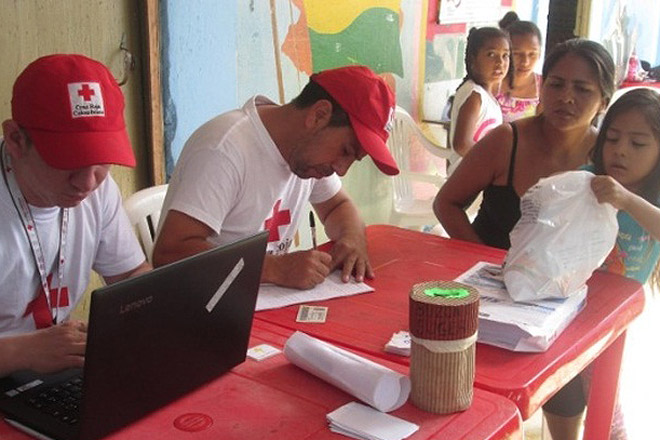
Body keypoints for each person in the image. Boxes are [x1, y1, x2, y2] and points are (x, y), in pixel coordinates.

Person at [152, 65, 398, 290]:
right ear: (319, 115)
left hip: (259, 304)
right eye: (345, 151)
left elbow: (338, 206)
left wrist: (353, 238)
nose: (341, 169)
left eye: (353, 159)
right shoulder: (224, 150)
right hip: (199, 310)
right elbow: (169, 253)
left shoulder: (307, 155)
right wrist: (273, 268)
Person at [0, 54, 151, 377]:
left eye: (101, 159)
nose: (87, 182)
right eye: (68, 159)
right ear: (16, 140)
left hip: (56, 373)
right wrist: (24, 351)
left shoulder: (97, 187)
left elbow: (130, 278)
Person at [543, 88, 660, 440]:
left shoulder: (651, 197)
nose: (620, 150)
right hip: (569, 304)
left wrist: (627, 200)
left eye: (637, 144)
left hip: (613, 318)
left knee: (603, 392)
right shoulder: (588, 180)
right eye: (612, 138)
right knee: (561, 378)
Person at [434, 38, 615, 250]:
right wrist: (484, 259)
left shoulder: (609, 156)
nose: (566, 98)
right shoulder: (506, 140)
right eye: (556, 85)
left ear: (604, 102)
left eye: (582, 89)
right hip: (487, 278)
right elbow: (446, 203)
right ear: (542, 87)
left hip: (566, 282)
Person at [447, 26, 510, 174]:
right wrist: (492, 162)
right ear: (473, 59)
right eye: (491, 54)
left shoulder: (486, 95)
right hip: (467, 176)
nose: (500, 62)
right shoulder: (474, 96)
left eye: (505, 55)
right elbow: (461, 145)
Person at [496, 11, 543, 122]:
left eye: (532, 54)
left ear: (540, 53)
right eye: (517, 54)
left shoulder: (544, 87)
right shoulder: (492, 83)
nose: (525, 62)